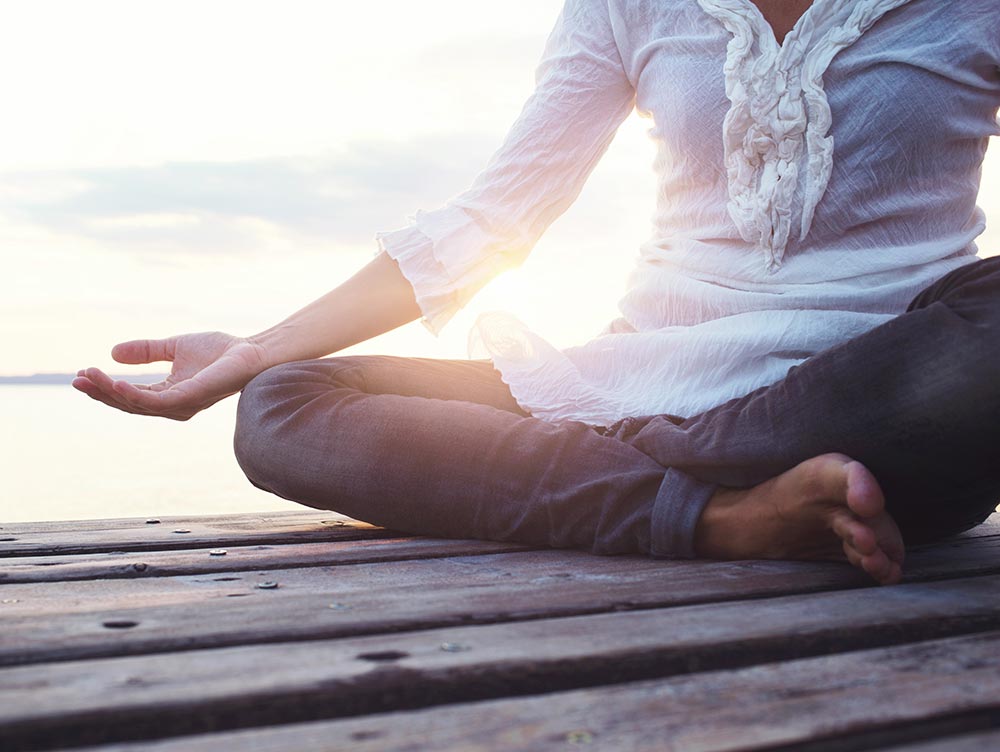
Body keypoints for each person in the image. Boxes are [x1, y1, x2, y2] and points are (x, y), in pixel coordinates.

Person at [74, 0, 1000, 587]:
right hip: (649, 381)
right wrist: (256, 350)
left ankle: (672, 473)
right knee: (284, 403)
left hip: (880, 397)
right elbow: (494, 218)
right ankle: (722, 517)